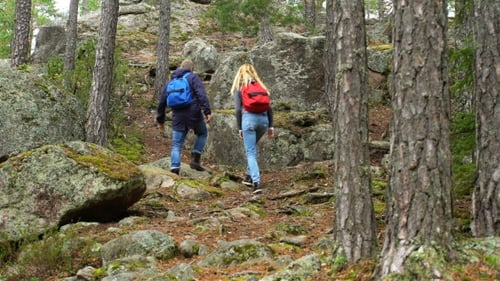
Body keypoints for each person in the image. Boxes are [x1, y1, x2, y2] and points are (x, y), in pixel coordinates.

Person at [157, 59, 212, 175]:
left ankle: (175, 168)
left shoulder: (171, 81)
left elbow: (162, 102)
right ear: (191, 68)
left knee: (177, 144)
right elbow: (201, 94)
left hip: (178, 116)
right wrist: (207, 111)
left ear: (180, 67)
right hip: (194, 114)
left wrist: (160, 120)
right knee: (202, 133)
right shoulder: (193, 77)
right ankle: (195, 158)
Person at [231, 63, 275, 193]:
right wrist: (271, 126)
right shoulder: (262, 88)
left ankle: (256, 182)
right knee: (252, 148)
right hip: (263, 120)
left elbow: (238, 110)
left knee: (250, 152)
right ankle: (249, 177)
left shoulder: (240, 89)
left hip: (248, 120)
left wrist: (239, 128)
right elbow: (269, 109)